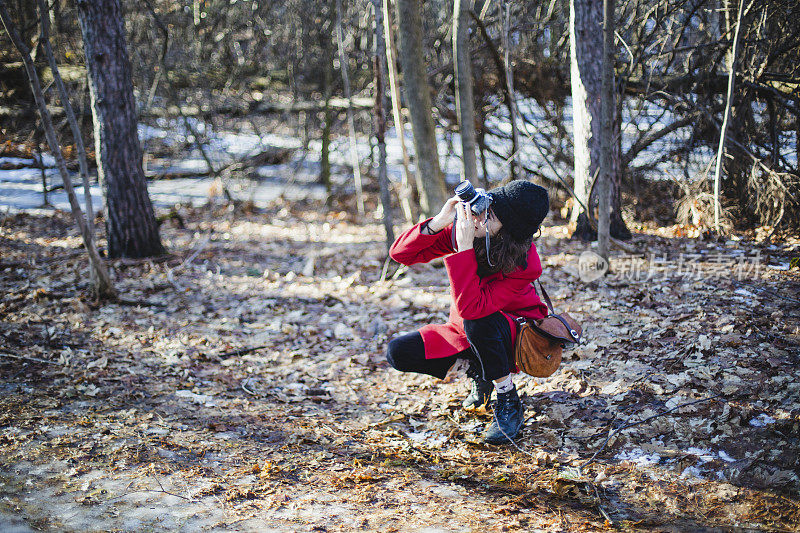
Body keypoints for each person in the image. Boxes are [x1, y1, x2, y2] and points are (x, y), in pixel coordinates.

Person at [386, 180, 550, 444]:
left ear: (509, 229)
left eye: (491, 216)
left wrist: (463, 250)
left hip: (513, 335)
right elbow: (400, 254)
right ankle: (479, 370)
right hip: (467, 329)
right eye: (485, 207)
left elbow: (473, 308)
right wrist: (437, 223)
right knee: (398, 353)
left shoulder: (524, 263)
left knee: (478, 322)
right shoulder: (470, 230)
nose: (480, 216)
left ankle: (508, 399)